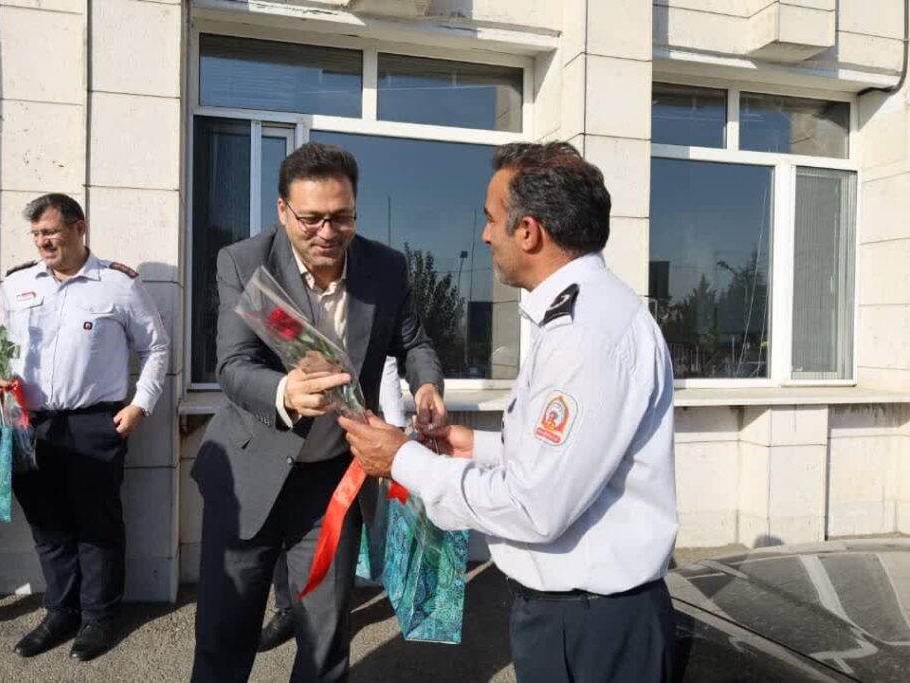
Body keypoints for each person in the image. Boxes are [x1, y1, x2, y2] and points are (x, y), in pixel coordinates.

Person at [339, 142, 678, 682]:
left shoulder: (586, 335)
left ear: (528, 232)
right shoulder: (580, 316)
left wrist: (402, 460)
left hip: (590, 627)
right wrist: (476, 446)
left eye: (491, 219)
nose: (484, 235)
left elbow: (534, 505)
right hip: (579, 617)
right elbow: (563, 457)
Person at [190, 143, 446, 682]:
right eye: (311, 219)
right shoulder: (245, 262)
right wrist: (285, 391)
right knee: (224, 637)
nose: (327, 232)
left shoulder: (385, 268)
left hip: (331, 480)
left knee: (326, 641)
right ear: (283, 211)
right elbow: (233, 366)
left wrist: (427, 386)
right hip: (249, 472)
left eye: (341, 217)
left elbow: (414, 343)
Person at [0, 193, 170, 662]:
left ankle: (99, 617)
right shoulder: (17, 284)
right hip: (28, 423)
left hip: (94, 425)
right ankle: (60, 611)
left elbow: (156, 348)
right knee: (47, 523)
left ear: (79, 228)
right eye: (36, 234)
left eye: (50, 232)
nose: (43, 241)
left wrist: (140, 405)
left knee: (97, 525)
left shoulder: (117, 285)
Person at [258, 356, 407, 652]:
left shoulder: (369, 323)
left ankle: (333, 621)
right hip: (280, 444)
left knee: (336, 550)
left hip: (338, 454)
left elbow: (386, 359)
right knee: (282, 542)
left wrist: (396, 425)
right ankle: (288, 610)